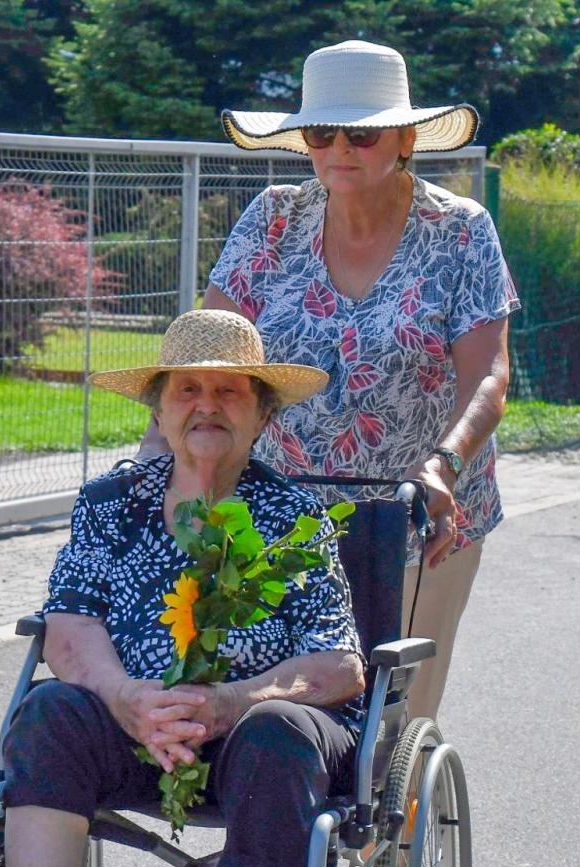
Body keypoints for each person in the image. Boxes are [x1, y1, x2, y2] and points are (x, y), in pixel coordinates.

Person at [0, 309, 365, 867]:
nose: (207, 406)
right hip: (132, 731)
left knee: (282, 730)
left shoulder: (297, 516)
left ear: (263, 411)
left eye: (230, 391)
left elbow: (337, 661)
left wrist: (231, 702)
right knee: (50, 711)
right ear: (159, 406)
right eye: (187, 390)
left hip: (256, 741)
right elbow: (70, 626)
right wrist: (127, 698)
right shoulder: (111, 505)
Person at [199, 38, 520, 720]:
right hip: (285, 510)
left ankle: (391, 827)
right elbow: (209, 358)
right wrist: (160, 461)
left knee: (392, 721)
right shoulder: (272, 221)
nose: (342, 148)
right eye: (323, 132)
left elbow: (489, 374)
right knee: (284, 709)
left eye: (364, 133)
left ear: (404, 139)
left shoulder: (459, 230)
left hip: (417, 515)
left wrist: (445, 464)